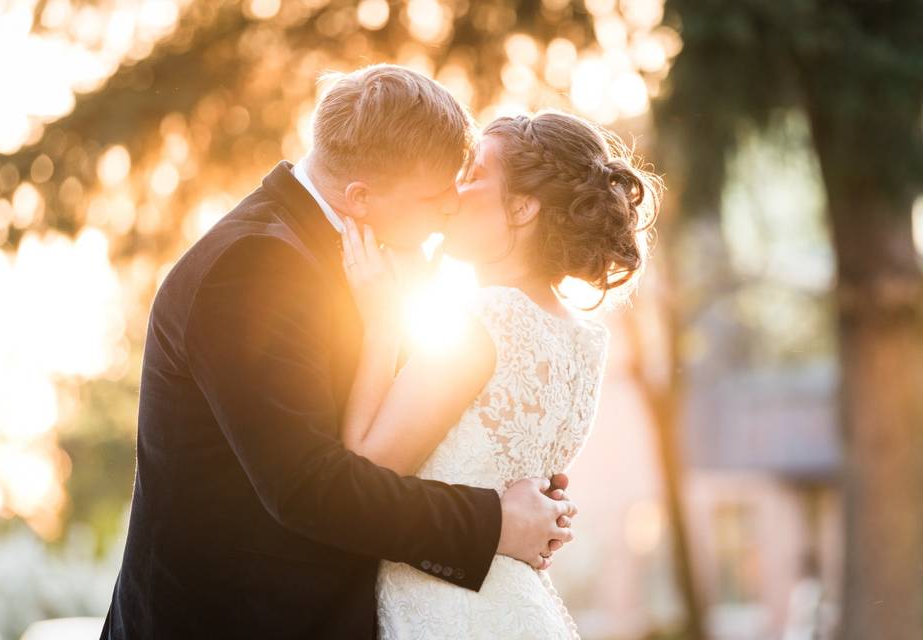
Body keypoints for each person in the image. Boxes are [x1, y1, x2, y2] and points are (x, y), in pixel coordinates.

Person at [99, 64, 577, 640]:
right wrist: (495, 523)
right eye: (433, 197)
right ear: (360, 197)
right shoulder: (252, 267)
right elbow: (308, 487)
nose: (451, 207)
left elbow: (395, 426)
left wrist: (509, 465)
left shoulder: (376, 253)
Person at [338, 110, 660, 639]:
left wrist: (378, 325)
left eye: (473, 175)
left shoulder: (484, 322)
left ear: (523, 206)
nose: (452, 191)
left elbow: (364, 472)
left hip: (453, 615)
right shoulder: (582, 338)